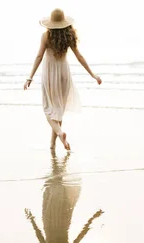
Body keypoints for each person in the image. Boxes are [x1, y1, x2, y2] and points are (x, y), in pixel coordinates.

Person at [23, 8, 102, 151]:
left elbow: (39, 56)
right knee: (58, 111)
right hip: (64, 75)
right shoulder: (69, 36)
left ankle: (60, 134)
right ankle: (53, 145)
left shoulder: (46, 36)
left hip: (50, 74)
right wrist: (93, 74)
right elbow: (79, 56)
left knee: (48, 111)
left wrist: (30, 77)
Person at [24, 150, 104, 243]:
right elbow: (40, 237)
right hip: (50, 222)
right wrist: (31, 220)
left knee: (58, 188)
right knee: (55, 187)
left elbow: (81, 236)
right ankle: (59, 159)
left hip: (62, 222)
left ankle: (59, 159)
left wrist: (93, 218)